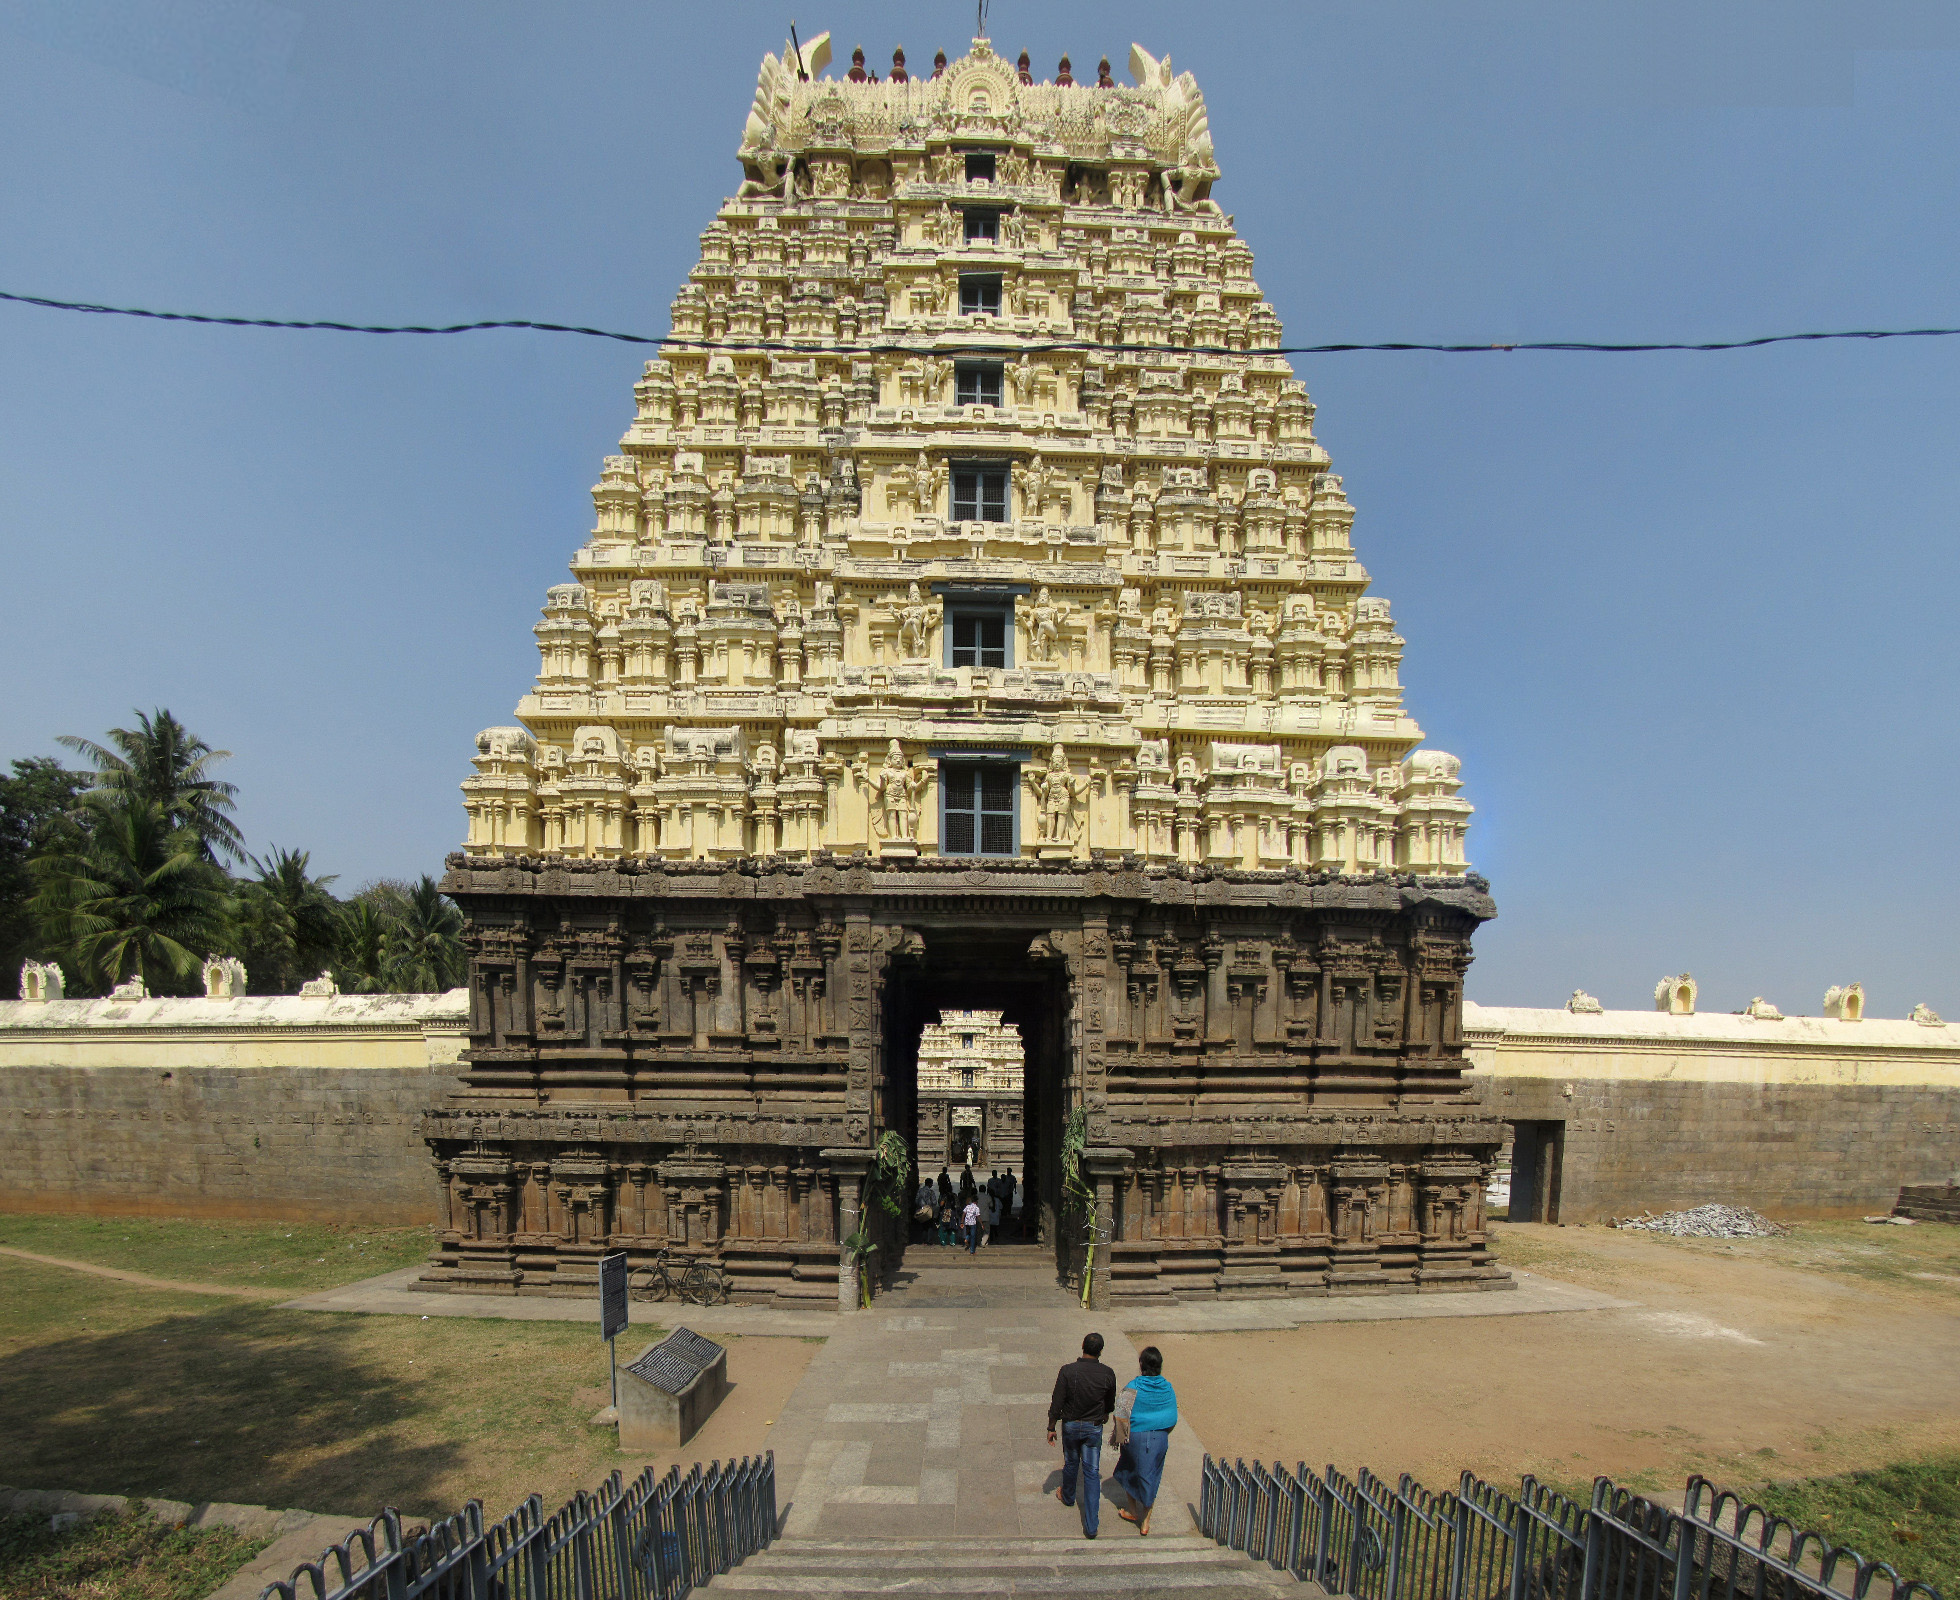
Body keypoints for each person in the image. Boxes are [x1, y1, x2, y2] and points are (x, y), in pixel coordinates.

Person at [1047, 1331, 1116, 1539]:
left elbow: (1057, 1400)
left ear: (1082, 1346)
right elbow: (1110, 1403)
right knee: (1092, 1472)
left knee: (1070, 1463)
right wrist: (1103, 1415)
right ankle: (1092, 1524)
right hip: (1093, 1427)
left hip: (1071, 1425)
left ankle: (1068, 1496)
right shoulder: (1107, 1373)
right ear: (1101, 1351)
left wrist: (1051, 1426)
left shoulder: (1068, 1371)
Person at [1112, 1345, 1178, 1536]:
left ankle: (1133, 1511)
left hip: (1135, 1437)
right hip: (1160, 1438)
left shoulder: (1133, 1386)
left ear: (1141, 1365)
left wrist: (1120, 1438)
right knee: (1152, 1476)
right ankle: (1146, 1522)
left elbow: (1121, 1414)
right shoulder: (1167, 1387)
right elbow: (1172, 1416)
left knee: (1128, 1470)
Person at [914, 1175, 938, 1245]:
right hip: (928, 1210)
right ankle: (929, 1241)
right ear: (930, 1184)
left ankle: (923, 1241)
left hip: (921, 1210)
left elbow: (916, 1201)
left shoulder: (920, 1191)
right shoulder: (931, 1192)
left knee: (923, 1226)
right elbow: (934, 1202)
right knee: (930, 1226)